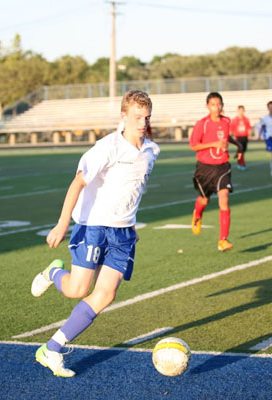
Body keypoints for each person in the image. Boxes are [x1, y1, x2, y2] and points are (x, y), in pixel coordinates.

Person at [30, 90, 159, 377]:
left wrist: (131, 225)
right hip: (94, 227)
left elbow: (132, 191)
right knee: (78, 290)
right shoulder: (107, 147)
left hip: (123, 234)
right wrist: (62, 224)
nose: (142, 123)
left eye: (146, 117)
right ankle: (53, 273)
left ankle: (52, 348)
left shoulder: (151, 151)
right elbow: (77, 184)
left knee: (106, 294)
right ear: (124, 116)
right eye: (137, 117)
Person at [189, 92, 243, 252]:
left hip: (222, 166)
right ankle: (197, 214)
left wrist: (238, 145)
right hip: (205, 167)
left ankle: (223, 240)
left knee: (224, 198)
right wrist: (214, 144)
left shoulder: (227, 121)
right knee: (204, 200)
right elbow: (193, 145)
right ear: (207, 106)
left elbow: (226, 137)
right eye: (213, 104)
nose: (217, 107)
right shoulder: (202, 124)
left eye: (219, 104)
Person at [230, 105, 252, 171]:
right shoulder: (235, 119)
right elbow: (231, 129)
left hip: (245, 137)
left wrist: (249, 135)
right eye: (240, 110)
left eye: (242, 110)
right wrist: (232, 136)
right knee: (241, 150)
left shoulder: (246, 119)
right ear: (238, 111)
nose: (241, 111)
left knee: (243, 151)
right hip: (238, 137)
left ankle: (238, 161)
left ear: (244, 111)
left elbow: (248, 128)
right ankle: (242, 164)